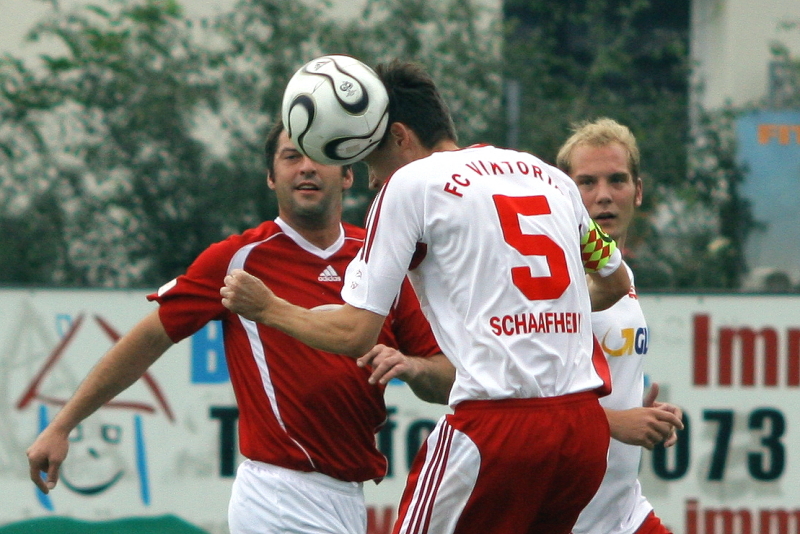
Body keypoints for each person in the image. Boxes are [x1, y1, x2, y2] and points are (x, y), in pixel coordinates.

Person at [220, 59, 633, 534]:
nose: (372, 180)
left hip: (496, 430)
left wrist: (268, 308)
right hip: (582, 433)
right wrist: (537, 307)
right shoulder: (549, 177)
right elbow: (615, 282)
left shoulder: (411, 184)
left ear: (399, 136)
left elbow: (356, 333)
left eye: (371, 159)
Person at [26, 119, 454, 534]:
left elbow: (447, 378)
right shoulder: (237, 259)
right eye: (291, 157)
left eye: (320, 155)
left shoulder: (381, 261)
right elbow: (149, 339)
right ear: (271, 177)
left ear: (347, 174)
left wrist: (413, 368)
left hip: (348, 497)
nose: (306, 167)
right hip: (279, 493)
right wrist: (62, 425)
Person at [556, 117, 684, 534]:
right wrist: (617, 423)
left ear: (638, 191)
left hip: (622, 512)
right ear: (562, 193)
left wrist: (644, 416)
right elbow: (526, 402)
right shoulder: (554, 282)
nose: (604, 195)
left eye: (617, 180)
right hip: (564, 516)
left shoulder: (619, 274)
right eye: (587, 182)